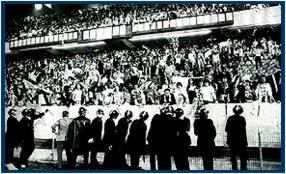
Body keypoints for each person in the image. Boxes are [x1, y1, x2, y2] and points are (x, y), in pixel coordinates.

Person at [225, 105, 248, 170]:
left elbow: (226, 129)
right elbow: (243, 131)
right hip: (241, 141)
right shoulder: (242, 119)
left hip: (232, 141)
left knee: (233, 158)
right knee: (243, 158)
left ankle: (234, 170)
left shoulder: (230, 118)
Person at [156, 106, 176, 170]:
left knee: (161, 161)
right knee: (167, 161)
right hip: (168, 143)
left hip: (160, 143)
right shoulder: (173, 119)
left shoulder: (159, 118)